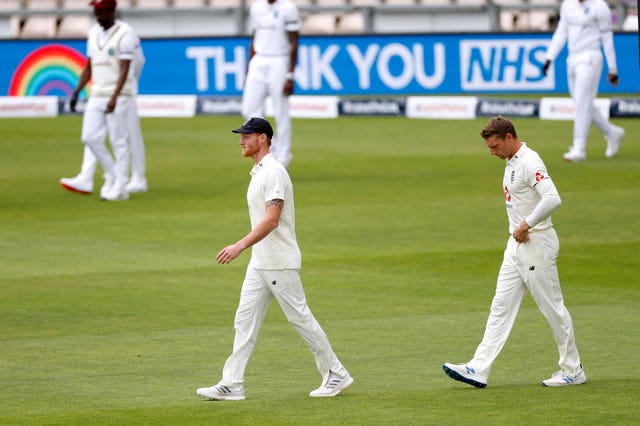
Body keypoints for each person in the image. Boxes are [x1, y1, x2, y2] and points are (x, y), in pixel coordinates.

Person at [196, 117, 353, 401]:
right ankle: (232, 383)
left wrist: (239, 246)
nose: (241, 141)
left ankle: (336, 373)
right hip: (261, 263)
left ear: (263, 138)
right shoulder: (258, 171)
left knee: (301, 319)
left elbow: (272, 220)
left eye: (247, 135)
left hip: (279, 260)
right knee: (244, 321)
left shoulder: (274, 172)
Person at [443, 116, 586, 388]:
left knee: (552, 309)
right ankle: (478, 368)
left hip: (536, 243)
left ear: (509, 137)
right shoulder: (512, 161)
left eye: (495, 146)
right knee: (500, 307)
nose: (492, 152)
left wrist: (527, 224)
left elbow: (553, 197)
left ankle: (573, 369)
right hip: (516, 245)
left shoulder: (530, 161)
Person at [59, 0, 139, 201]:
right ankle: (112, 174)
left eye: (101, 12)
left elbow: (124, 69)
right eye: (95, 12)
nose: (97, 16)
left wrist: (115, 96)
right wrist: (77, 90)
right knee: (89, 137)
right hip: (97, 94)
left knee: (118, 140)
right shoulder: (93, 32)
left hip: (119, 96)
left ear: (111, 11)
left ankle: (120, 187)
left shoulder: (126, 34)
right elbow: (89, 64)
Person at [543, 0, 625, 162]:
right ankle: (612, 132)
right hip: (572, 59)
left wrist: (613, 69)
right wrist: (549, 57)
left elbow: (607, 38)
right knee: (583, 102)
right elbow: (561, 32)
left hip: (590, 57)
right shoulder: (567, 4)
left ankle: (579, 148)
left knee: (582, 103)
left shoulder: (600, 7)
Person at [241, 0, 299, 168]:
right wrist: (248, 68)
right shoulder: (257, 7)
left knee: (281, 111)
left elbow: (294, 42)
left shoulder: (288, 8)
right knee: (249, 110)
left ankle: (283, 159)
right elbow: (254, 37)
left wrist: (290, 74)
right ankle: (267, 154)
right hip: (259, 60)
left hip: (279, 60)